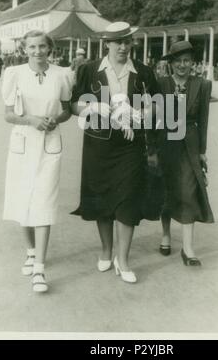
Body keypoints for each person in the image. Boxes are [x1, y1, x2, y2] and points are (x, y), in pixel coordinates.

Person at [71, 21, 159, 283]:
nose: (123, 46)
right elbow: (74, 104)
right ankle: (106, 251)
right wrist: (93, 108)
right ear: (106, 43)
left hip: (131, 146)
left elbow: (156, 104)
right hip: (99, 145)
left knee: (128, 199)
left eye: (127, 41)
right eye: (118, 41)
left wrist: (140, 113)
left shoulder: (142, 72)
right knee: (102, 197)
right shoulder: (89, 70)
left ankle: (123, 260)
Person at [2, 30, 72, 293]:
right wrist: (31, 120)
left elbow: (67, 109)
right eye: (32, 47)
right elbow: (8, 115)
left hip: (49, 145)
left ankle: (40, 269)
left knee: (44, 200)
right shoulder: (14, 74)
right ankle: (30, 252)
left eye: (42, 46)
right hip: (22, 142)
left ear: (50, 48)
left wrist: (56, 119)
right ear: (24, 49)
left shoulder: (61, 74)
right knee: (23, 200)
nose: (37, 51)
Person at [158, 40, 214, 266]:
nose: (183, 65)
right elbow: (154, 119)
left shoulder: (202, 84)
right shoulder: (160, 84)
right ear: (170, 63)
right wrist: (151, 149)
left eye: (187, 61)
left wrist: (202, 151)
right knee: (165, 189)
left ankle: (188, 248)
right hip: (165, 142)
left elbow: (203, 120)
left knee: (189, 192)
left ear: (193, 63)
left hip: (189, 144)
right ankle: (165, 235)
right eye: (178, 61)